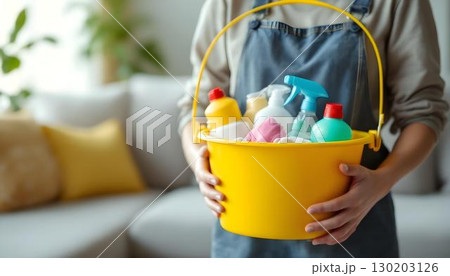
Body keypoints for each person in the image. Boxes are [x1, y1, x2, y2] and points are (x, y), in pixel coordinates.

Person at [178, 0, 448, 258]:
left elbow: (423, 113)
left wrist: (381, 182)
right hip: (245, 215)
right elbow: (197, 108)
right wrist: (202, 168)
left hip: (350, 223)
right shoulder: (229, 3)